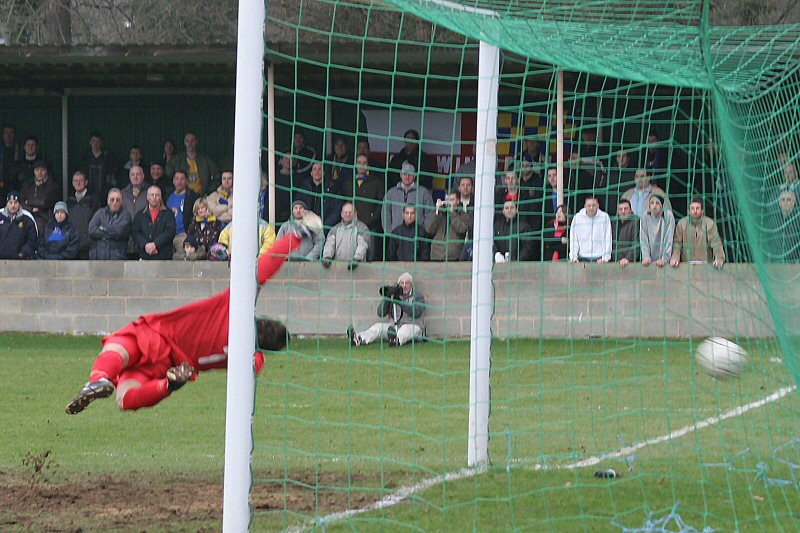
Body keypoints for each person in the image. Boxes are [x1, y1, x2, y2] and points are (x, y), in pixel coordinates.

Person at [65, 232, 305, 414]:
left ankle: (99, 379)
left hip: (156, 335)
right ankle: (167, 385)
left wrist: (297, 236)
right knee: (124, 399)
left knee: (118, 348)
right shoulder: (249, 359)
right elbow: (254, 368)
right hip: (167, 369)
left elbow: (265, 267)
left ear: (258, 320)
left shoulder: (232, 307)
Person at [348, 272, 425, 347]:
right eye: (402, 283)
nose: (404, 286)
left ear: (411, 285)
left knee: (405, 329)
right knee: (378, 327)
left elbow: (417, 312)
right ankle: (359, 338)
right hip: (394, 327)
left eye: (407, 283)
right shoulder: (394, 296)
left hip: (413, 326)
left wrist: (400, 302)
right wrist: (387, 298)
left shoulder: (418, 296)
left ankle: (396, 340)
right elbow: (380, 313)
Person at [670, 198, 725, 268]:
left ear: (702, 211)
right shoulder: (681, 224)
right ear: (688, 211)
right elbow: (677, 243)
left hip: (706, 265)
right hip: (686, 265)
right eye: (692, 208)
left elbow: (716, 243)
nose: (695, 211)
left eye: (697, 208)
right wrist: (675, 257)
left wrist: (719, 258)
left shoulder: (709, 224)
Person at [383, 162, 435, 235]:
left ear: (414, 176)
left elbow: (430, 214)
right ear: (400, 175)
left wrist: (423, 232)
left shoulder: (424, 193)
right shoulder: (391, 193)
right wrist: (389, 232)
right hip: (396, 236)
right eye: (405, 174)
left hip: (417, 236)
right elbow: (385, 213)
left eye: (410, 174)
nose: (407, 177)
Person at [131, 185, 176, 260]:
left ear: (161, 197)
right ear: (147, 197)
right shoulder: (140, 215)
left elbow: (170, 231)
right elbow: (135, 232)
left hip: (164, 256)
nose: (154, 197)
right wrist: (145, 245)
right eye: (152, 195)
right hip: (144, 255)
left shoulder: (168, 213)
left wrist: (156, 244)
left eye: (157, 195)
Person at [426, 189, 470, 262]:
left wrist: (452, 213)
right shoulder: (440, 213)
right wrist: (437, 212)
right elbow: (430, 229)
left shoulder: (463, 215)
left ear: (458, 201)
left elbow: (462, 229)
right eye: (447, 199)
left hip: (453, 256)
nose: (448, 202)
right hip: (436, 255)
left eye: (452, 200)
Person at [88, 188, 132, 260]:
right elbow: (91, 230)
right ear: (108, 200)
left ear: (121, 202)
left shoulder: (126, 216)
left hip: (117, 258)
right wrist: (111, 234)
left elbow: (119, 232)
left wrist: (103, 228)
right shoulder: (99, 213)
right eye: (112, 199)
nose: (115, 202)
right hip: (98, 258)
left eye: (117, 200)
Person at [321, 202, 369, 268]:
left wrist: (357, 259)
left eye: (350, 212)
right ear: (341, 214)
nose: (347, 214)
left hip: (358, 268)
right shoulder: (335, 229)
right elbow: (329, 244)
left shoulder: (362, 228)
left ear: (355, 214)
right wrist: (327, 257)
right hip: (337, 268)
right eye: (345, 212)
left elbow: (363, 244)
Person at [66, 171, 101, 259]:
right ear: (72, 183)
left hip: (88, 245)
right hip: (72, 244)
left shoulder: (94, 199)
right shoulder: (69, 201)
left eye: (81, 180)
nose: (78, 183)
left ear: (86, 182)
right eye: (75, 180)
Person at [166, 170, 201, 253]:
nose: (179, 182)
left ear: (186, 181)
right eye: (177, 179)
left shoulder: (192, 196)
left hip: (182, 235)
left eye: (182, 179)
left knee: (184, 255)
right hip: (168, 235)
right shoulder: (167, 195)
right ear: (173, 181)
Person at [569, 196, 612, 263]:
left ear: (598, 206)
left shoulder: (605, 217)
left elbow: (608, 238)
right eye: (589, 205)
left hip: (600, 259)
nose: (591, 208)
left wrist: (605, 258)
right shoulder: (577, 218)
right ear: (585, 206)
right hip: (581, 259)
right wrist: (573, 257)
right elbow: (573, 239)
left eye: (593, 205)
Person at [21, 160, 60, 231]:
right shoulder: (27, 185)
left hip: (45, 221)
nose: (39, 172)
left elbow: (43, 202)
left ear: (47, 171)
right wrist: (32, 209)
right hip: (28, 218)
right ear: (34, 171)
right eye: (37, 170)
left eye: (42, 170)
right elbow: (21, 203)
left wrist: (28, 202)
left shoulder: (53, 186)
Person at [639, 193, 675, 267]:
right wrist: (646, 257)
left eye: (657, 203)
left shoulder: (667, 216)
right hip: (649, 259)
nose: (654, 206)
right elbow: (643, 239)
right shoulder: (645, 217)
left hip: (664, 260)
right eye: (652, 203)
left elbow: (669, 238)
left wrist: (665, 258)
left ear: (662, 205)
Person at [0, 191, 38, 259]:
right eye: (10, 202)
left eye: (15, 202)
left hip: (20, 262)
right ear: (7, 203)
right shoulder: (0, 216)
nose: (13, 205)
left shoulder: (27, 219)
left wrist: (22, 253)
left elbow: (32, 241)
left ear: (19, 204)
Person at [82, 132, 117, 199]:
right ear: (90, 142)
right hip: (88, 193)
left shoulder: (109, 158)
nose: (95, 143)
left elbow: (112, 176)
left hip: (105, 193)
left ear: (101, 143)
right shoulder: (85, 158)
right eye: (93, 141)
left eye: (98, 141)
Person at [612, 198, 639, 267]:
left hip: (630, 264)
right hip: (613, 263)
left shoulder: (635, 221)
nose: (623, 211)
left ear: (630, 210)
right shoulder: (613, 222)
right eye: (620, 209)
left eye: (625, 208)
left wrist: (627, 259)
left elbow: (637, 243)